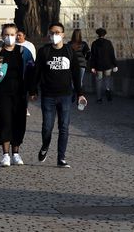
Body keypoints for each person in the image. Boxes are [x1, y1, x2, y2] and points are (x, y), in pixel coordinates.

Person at [34, 22, 86, 168]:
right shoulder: (44, 51)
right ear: (48, 35)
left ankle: (61, 158)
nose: (54, 35)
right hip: (48, 95)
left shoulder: (69, 51)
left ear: (63, 34)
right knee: (47, 127)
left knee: (64, 127)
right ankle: (45, 146)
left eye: (57, 32)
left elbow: (76, 74)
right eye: (52, 33)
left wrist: (80, 93)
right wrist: (33, 90)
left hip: (65, 95)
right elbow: (37, 71)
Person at [0, 24, 34, 167]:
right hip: (2, 92)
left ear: (16, 35)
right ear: (2, 35)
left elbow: (32, 70)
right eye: (6, 34)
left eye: (12, 34)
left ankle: (16, 153)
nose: (9, 37)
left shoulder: (23, 52)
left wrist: (32, 90)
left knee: (19, 122)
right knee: (6, 121)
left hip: (20, 93)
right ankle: (5, 154)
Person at [90, 27, 117, 103]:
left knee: (99, 81)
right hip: (108, 64)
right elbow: (112, 54)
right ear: (104, 35)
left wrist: (92, 66)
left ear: (97, 35)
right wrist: (115, 64)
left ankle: (99, 99)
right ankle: (107, 89)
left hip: (98, 65)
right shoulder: (108, 43)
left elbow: (93, 56)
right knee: (107, 79)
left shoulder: (94, 43)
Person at [16, 30, 36, 116]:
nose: (18, 37)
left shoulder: (29, 45)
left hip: (25, 71)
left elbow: (33, 58)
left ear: (24, 36)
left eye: (19, 35)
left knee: (24, 92)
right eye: (16, 35)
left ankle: (25, 108)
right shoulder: (13, 44)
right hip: (15, 72)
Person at [68, 29, 91, 95]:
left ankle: (72, 94)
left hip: (72, 64)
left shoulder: (69, 44)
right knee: (80, 80)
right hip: (81, 64)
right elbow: (89, 53)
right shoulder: (83, 44)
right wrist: (85, 59)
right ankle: (79, 95)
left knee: (72, 80)